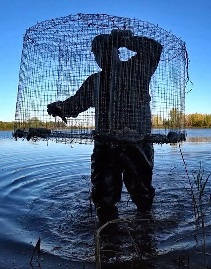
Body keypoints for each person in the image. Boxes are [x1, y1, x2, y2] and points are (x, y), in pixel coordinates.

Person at [47, 29, 163, 225]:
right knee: (103, 199)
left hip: (137, 143)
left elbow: (154, 49)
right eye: (96, 53)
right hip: (105, 146)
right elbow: (75, 104)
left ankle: (145, 238)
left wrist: (125, 40)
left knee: (142, 196)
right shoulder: (95, 81)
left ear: (116, 51)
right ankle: (108, 240)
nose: (100, 56)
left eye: (105, 50)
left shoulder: (137, 69)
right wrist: (60, 108)